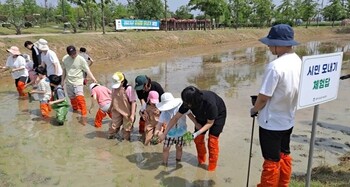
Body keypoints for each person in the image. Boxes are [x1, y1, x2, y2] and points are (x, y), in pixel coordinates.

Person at [250, 24, 302, 187]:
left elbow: (264, 97)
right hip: (288, 119)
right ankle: (283, 184)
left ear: (279, 44)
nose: (268, 46)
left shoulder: (275, 66)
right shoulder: (298, 60)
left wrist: (254, 109)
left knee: (271, 161)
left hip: (271, 123)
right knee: (284, 154)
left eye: (270, 43)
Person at [158, 86, 226, 171]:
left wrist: (195, 134)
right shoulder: (187, 103)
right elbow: (175, 118)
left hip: (218, 115)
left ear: (194, 101)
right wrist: (164, 133)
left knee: (212, 141)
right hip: (201, 115)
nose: (185, 105)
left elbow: (210, 123)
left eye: (187, 103)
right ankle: (201, 161)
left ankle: (212, 167)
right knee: (198, 139)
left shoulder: (210, 103)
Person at [61, 45, 97, 125]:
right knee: (72, 98)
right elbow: (64, 71)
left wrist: (93, 78)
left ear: (76, 51)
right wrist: (62, 81)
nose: (73, 55)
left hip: (78, 82)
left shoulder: (81, 59)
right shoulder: (65, 59)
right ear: (68, 54)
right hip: (69, 82)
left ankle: (84, 116)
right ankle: (75, 109)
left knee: (80, 99)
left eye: (74, 53)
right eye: (72, 54)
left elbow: (87, 70)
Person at [154, 92, 187, 165]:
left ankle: (178, 161)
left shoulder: (180, 108)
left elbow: (189, 114)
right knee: (165, 148)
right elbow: (159, 124)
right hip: (169, 132)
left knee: (179, 147)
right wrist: (157, 132)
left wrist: (196, 123)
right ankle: (164, 164)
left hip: (181, 131)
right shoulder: (164, 113)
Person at [134, 75, 164, 141]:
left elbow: (164, 101)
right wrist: (144, 111)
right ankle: (143, 138)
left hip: (158, 108)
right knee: (143, 129)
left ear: (147, 83)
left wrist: (160, 110)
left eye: (143, 87)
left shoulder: (156, 87)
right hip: (147, 107)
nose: (141, 90)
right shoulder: (139, 89)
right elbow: (141, 99)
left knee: (160, 130)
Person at [108, 72, 137, 140]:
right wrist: (110, 107)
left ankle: (126, 142)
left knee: (126, 130)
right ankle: (111, 140)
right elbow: (113, 98)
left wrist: (132, 115)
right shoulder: (114, 88)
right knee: (113, 127)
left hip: (127, 113)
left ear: (123, 81)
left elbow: (133, 102)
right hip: (116, 110)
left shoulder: (128, 89)